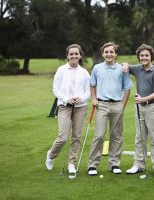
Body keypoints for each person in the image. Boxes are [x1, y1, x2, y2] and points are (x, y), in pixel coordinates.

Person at [87, 42, 132, 176]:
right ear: (102, 54)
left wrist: (122, 105)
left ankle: (114, 164)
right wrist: (94, 98)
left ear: (115, 54)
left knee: (116, 135)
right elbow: (92, 84)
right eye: (106, 52)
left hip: (117, 104)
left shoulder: (122, 69)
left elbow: (127, 88)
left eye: (111, 52)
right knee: (99, 135)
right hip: (102, 104)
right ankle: (92, 165)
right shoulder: (97, 68)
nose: (109, 54)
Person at [45, 44, 91, 174]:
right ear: (67, 55)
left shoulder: (84, 72)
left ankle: (72, 163)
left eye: (76, 54)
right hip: (64, 106)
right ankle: (51, 155)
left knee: (76, 136)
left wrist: (80, 98)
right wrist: (66, 99)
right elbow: (55, 89)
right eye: (71, 54)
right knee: (63, 137)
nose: (74, 56)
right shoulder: (61, 70)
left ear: (80, 55)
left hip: (80, 107)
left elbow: (87, 91)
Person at [123, 44, 154, 176]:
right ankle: (138, 164)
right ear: (139, 57)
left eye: (146, 55)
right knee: (139, 137)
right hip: (140, 108)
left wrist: (143, 99)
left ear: (151, 56)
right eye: (141, 55)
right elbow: (126, 66)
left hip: (152, 107)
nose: (144, 57)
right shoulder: (137, 69)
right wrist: (124, 65)